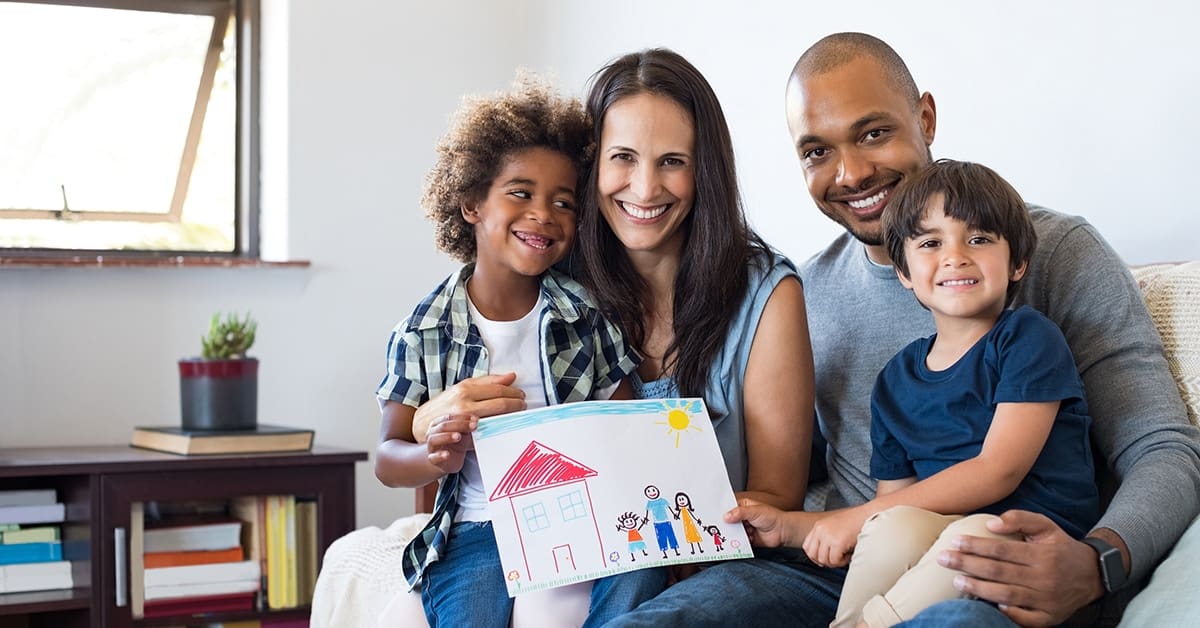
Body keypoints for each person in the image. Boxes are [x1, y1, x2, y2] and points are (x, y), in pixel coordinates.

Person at [715, 32, 1200, 628]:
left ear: (925, 116)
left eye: (873, 133)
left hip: (998, 568)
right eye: (817, 151)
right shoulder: (803, 294)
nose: (852, 172)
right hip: (854, 561)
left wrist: (1096, 561)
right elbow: (823, 475)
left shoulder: (1053, 257)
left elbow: (1162, 448)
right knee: (683, 613)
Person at [410, 47, 816, 624]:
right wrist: (429, 417)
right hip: (558, 548)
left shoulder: (767, 294)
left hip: (708, 560)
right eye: (623, 157)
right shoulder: (549, 276)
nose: (645, 188)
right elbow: (448, 362)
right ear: (590, 163)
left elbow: (777, 499)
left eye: (673, 161)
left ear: (706, 170)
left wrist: (681, 542)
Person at [372, 75, 659, 628]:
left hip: (581, 518)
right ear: (472, 203)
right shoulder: (423, 330)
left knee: (639, 572)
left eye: (563, 202)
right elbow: (387, 456)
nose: (543, 214)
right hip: (479, 527)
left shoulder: (586, 316)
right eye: (520, 193)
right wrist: (434, 456)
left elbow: (628, 423)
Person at [807, 159, 1099, 627]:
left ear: (1017, 262)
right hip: (942, 533)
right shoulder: (895, 380)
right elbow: (896, 501)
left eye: (979, 239)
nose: (956, 256)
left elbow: (997, 471)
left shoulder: (1026, 338)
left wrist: (857, 514)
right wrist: (869, 520)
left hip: (1028, 540)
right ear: (903, 271)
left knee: (970, 534)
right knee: (892, 528)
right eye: (930, 243)